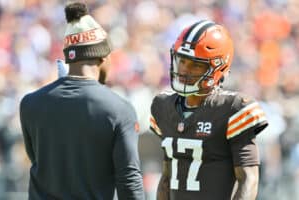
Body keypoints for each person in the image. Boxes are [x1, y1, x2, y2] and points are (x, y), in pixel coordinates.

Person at [19, 2, 144, 200]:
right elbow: (129, 179)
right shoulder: (119, 108)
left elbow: (38, 159)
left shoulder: (30, 103)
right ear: (103, 57)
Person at [150, 20, 268, 200]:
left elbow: (248, 179)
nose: (184, 70)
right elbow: (167, 176)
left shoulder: (233, 108)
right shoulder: (163, 106)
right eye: (182, 61)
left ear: (218, 68)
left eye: (195, 65)